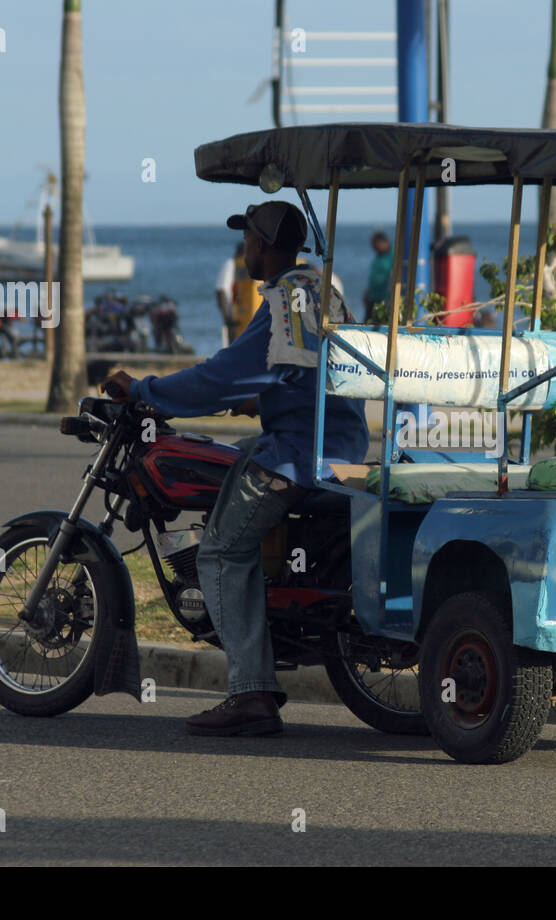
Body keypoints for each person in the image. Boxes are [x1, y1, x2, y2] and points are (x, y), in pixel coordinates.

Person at [101, 201, 368, 737]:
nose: (244, 248)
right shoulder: (322, 289)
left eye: (247, 239)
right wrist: (257, 399)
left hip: (298, 456)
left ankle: (250, 693)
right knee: (241, 457)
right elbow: (293, 372)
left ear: (262, 245)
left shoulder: (281, 301)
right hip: (340, 447)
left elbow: (220, 375)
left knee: (222, 550)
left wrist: (147, 389)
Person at [215, 242, 263, 347]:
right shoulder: (231, 264)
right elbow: (221, 292)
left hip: (244, 318)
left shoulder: (245, 267)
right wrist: (227, 317)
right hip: (234, 319)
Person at [362, 230, 394, 320]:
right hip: (372, 298)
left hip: (383, 300)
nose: (373, 248)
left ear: (383, 243)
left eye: (375, 245)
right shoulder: (379, 255)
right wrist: (367, 292)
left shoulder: (393, 256)